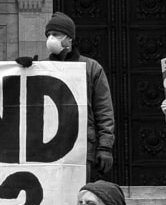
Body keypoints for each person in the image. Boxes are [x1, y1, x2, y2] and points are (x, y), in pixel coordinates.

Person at [16, 12, 115, 181]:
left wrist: (105, 147)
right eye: (48, 35)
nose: (51, 39)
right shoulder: (41, 67)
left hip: (82, 148)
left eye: (56, 34)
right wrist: (21, 72)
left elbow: (104, 111)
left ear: (69, 38)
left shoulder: (91, 68)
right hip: (47, 149)